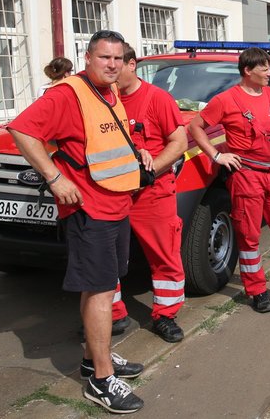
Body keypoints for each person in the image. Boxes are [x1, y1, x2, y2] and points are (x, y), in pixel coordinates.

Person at [7, 30, 145, 414]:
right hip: (90, 209)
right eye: (104, 58)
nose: (112, 65)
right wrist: (54, 177)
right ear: (88, 57)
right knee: (100, 291)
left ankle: (92, 357)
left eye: (118, 58)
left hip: (115, 204)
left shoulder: (109, 91)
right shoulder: (68, 93)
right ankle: (101, 381)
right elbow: (21, 129)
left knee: (102, 286)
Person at [186, 47, 270, 314]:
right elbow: (195, 127)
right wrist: (216, 155)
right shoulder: (226, 100)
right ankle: (257, 291)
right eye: (265, 69)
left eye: (269, 68)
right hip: (246, 176)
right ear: (248, 71)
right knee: (249, 237)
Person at [113, 43, 188, 343]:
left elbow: (179, 142)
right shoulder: (104, 99)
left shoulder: (158, 99)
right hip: (113, 193)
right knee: (106, 256)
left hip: (152, 192)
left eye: (118, 64)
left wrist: (151, 170)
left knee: (164, 253)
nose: (111, 71)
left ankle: (166, 315)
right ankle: (112, 313)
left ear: (132, 65)